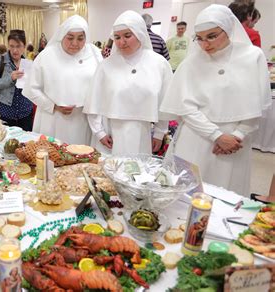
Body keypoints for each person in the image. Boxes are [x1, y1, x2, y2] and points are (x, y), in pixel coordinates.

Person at [159, 4, 271, 196]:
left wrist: (238, 135)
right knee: (187, 193)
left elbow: (258, 104)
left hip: (234, 142)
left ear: (228, 29)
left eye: (211, 36)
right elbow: (185, 106)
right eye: (199, 38)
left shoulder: (252, 57)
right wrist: (216, 135)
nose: (205, 45)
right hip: (197, 136)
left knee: (224, 195)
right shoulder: (192, 62)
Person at [84, 11, 171, 155]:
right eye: (117, 37)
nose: (121, 42)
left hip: (141, 133)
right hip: (110, 133)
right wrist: (99, 132)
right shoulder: (106, 66)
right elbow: (94, 102)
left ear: (140, 34)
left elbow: (163, 102)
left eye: (127, 36)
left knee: (135, 173)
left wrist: (159, 133)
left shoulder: (159, 64)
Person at [24, 15, 102, 145]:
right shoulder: (47, 56)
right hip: (53, 119)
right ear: (62, 35)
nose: (75, 43)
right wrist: (53, 106)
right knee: (53, 157)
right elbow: (31, 89)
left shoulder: (94, 54)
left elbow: (101, 85)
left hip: (82, 120)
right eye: (70, 38)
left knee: (80, 156)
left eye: (80, 38)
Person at [0, 30, 34, 131]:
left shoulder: (28, 63)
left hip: (26, 110)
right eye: (11, 46)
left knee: (26, 143)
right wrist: (10, 78)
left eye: (18, 46)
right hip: (7, 111)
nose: (14, 50)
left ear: (24, 46)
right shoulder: (0, 60)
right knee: (8, 143)